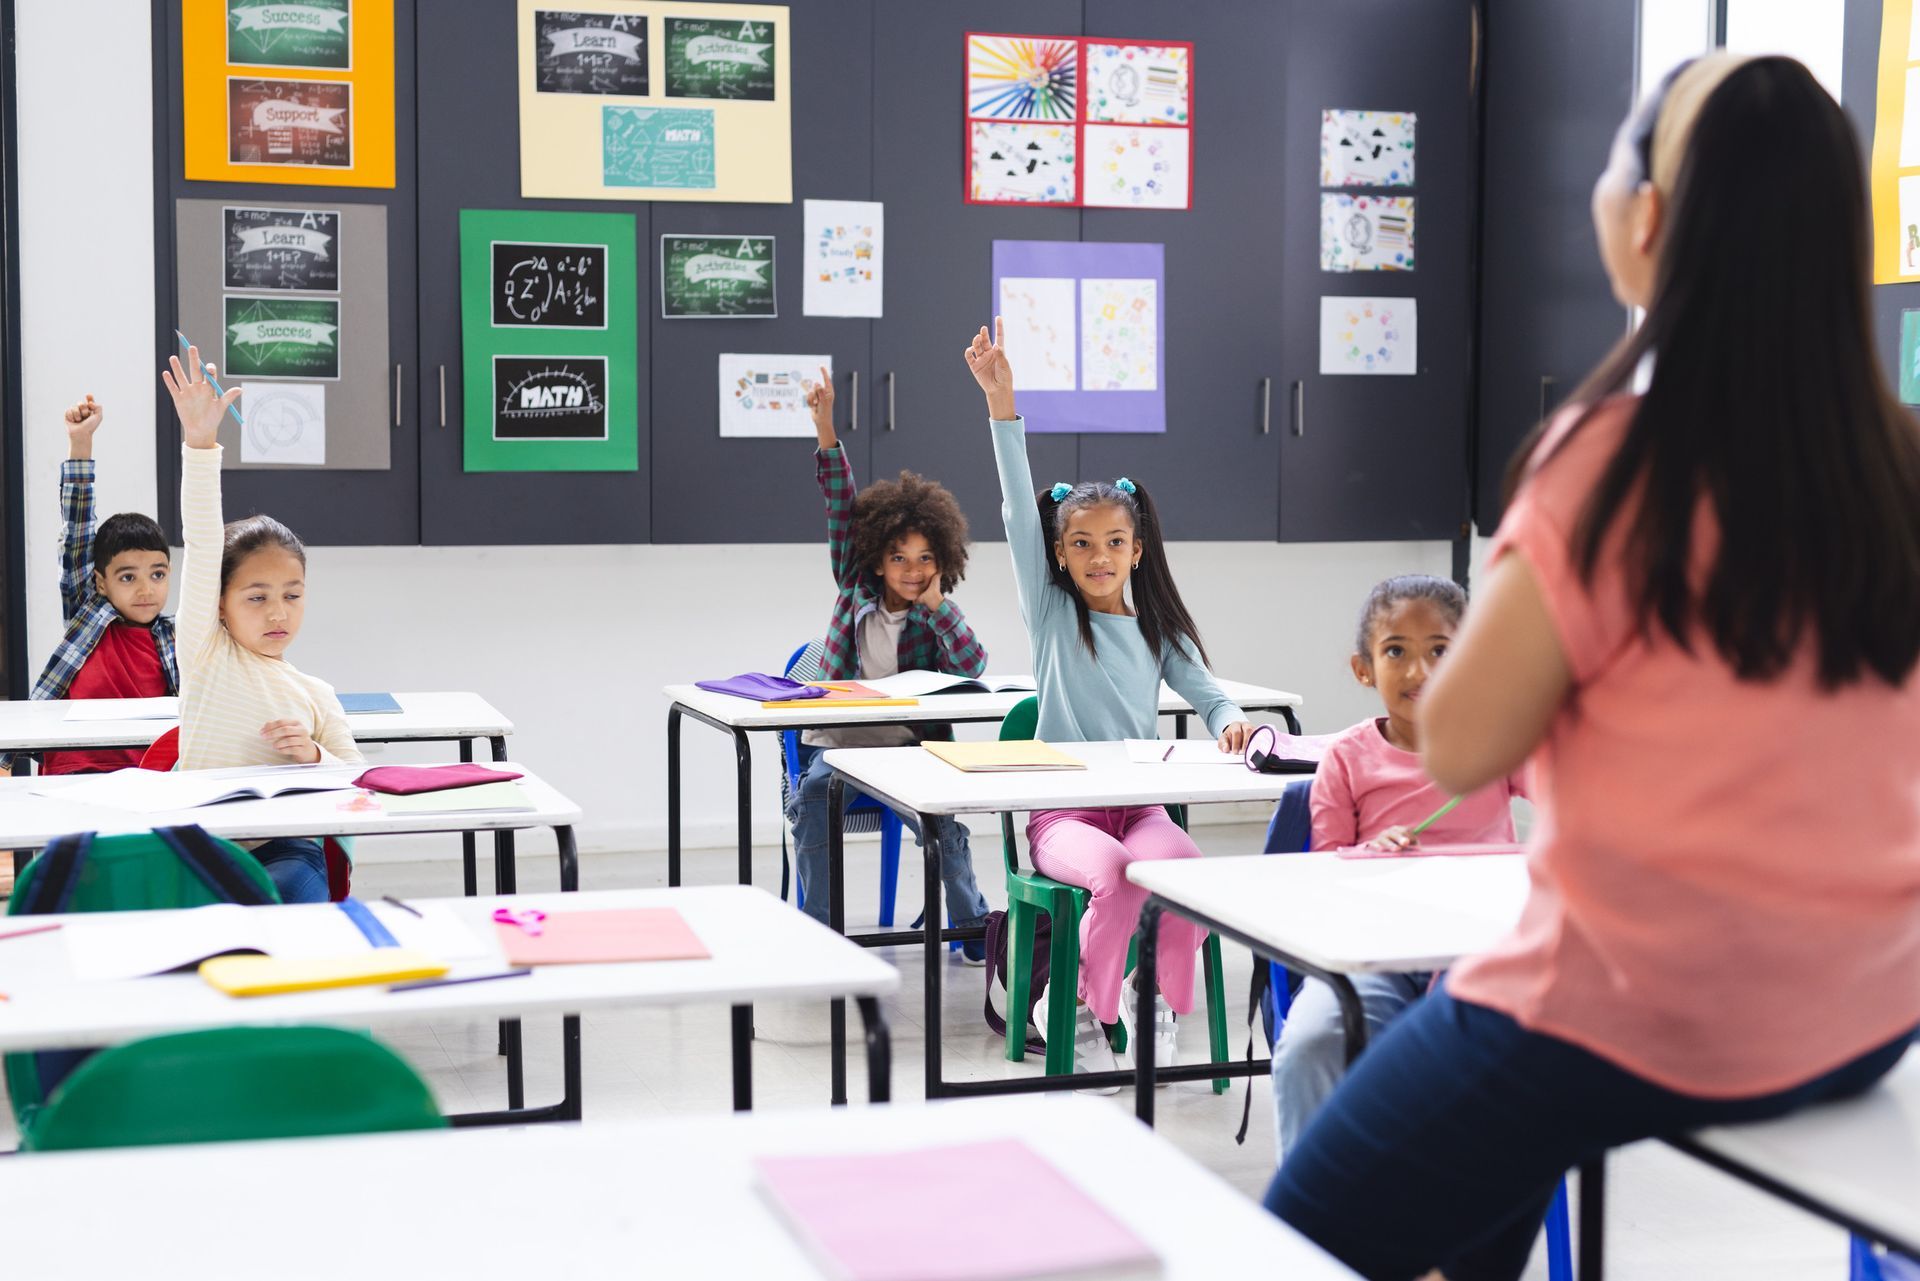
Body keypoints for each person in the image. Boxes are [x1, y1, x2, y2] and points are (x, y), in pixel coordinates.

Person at [1266, 55, 1920, 1281]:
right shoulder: (1900, 466)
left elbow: (1457, 743)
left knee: (1283, 1247)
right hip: (1865, 1014)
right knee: (1478, 1174)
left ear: (1653, 217)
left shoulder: (1615, 467)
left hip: (1641, 1013)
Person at [964, 318, 1255, 1086]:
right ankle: (1081, 1007)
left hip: (1141, 807)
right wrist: (1003, 405)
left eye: (1114, 542)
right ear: (1061, 554)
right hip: (1063, 813)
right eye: (1082, 543)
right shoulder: (1054, 614)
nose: (1099, 556)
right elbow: (1016, 514)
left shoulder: (1156, 624)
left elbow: (1209, 693)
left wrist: (1232, 724)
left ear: (1138, 548)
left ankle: (1144, 993)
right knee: (1120, 876)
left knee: (1185, 875)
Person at [1269, 574, 1526, 1161]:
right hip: (1373, 954)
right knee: (1310, 1045)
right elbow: (1323, 871)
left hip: (1472, 956)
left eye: (1441, 651)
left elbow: (1576, 803)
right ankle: (1314, 1221)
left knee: (1475, 1060)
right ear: (1364, 668)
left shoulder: (1497, 743)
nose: (1420, 673)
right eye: (1396, 652)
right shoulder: (1348, 757)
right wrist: (1367, 852)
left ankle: (1435, 1221)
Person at [785, 367, 992, 957]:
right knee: (810, 811)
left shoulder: (933, 614)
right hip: (842, 746)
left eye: (925, 559)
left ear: (942, 561)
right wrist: (826, 427)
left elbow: (974, 666)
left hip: (910, 749)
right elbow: (841, 502)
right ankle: (822, 933)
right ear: (874, 560)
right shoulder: (853, 586)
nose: (911, 569)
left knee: (945, 828)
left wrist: (940, 606)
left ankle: (975, 932)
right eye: (898, 557)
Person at [162, 348, 361, 904]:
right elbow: (203, 543)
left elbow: (357, 779)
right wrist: (200, 444)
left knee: (280, 901)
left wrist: (314, 757)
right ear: (219, 604)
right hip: (203, 845)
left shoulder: (314, 694)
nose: (278, 613)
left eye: (292, 596)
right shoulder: (204, 653)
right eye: (257, 597)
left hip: (285, 848)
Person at [3, 396, 178, 776]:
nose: (146, 589)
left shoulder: (174, 636)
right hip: (73, 769)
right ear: (101, 582)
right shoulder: (89, 610)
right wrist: (81, 442)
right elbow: (77, 530)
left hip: (145, 777)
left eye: (158, 574)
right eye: (128, 577)